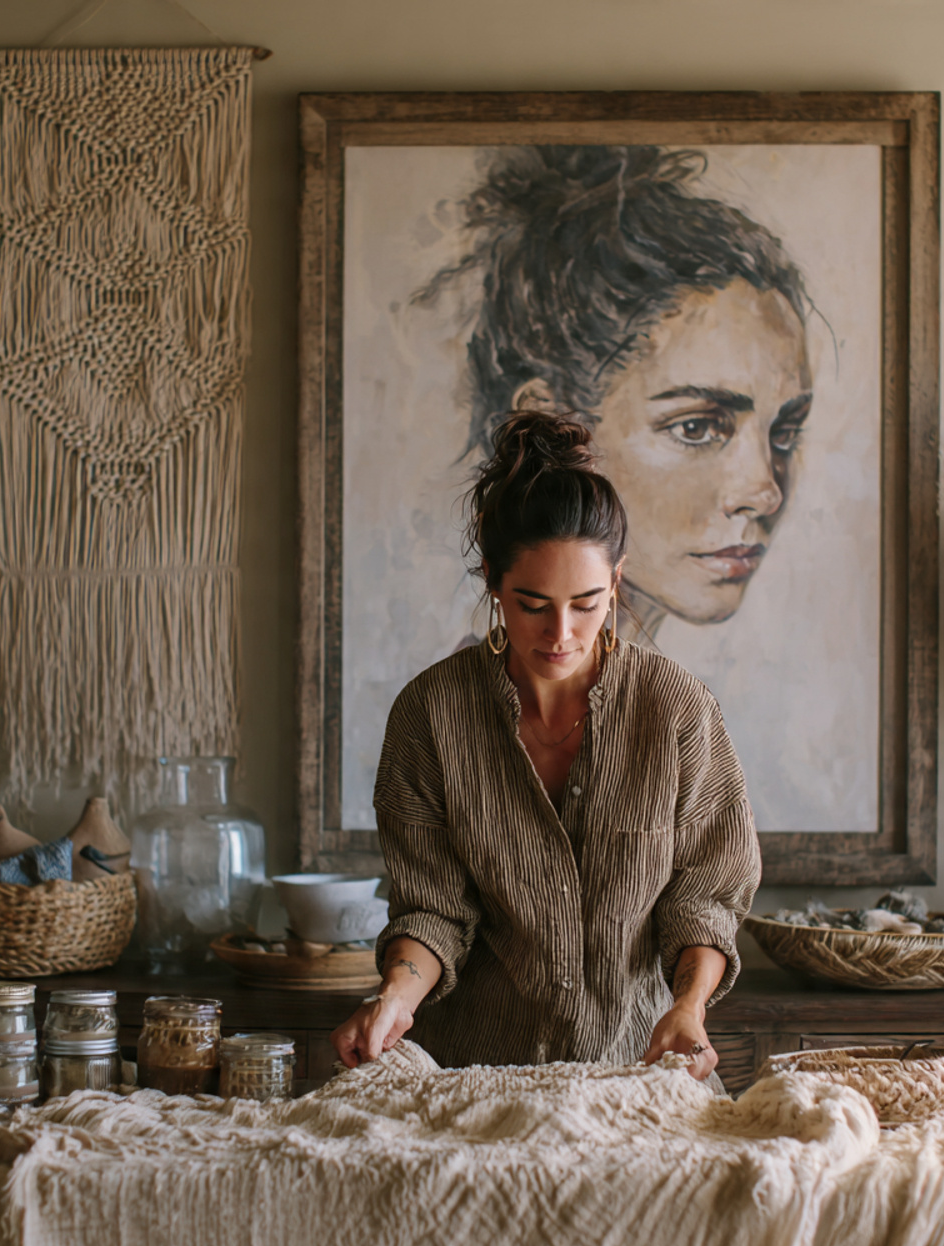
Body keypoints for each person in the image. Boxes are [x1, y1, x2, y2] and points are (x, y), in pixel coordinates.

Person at [331, 411, 761, 1082]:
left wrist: (688, 1007)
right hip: (474, 1078)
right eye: (533, 604)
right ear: (492, 580)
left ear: (616, 581)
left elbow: (702, 904)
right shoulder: (431, 714)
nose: (561, 633)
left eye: (586, 603)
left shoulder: (678, 710)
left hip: (636, 1074)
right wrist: (395, 999)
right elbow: (434, 909)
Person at [417, 144, 814, 643]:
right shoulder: (466, 694)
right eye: (695, 428)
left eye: (785, 432)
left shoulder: (661, 688)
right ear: (550, 426)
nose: (766, 492)